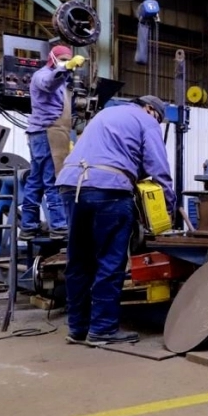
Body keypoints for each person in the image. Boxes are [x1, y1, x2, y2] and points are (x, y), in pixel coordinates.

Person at [56, 95, 175, 346]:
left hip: (70, 185)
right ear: (151, 109)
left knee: (78, 261)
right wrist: (168, 207)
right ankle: (102, 330)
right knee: (109, 261)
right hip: (109, 189)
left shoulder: (105, 115)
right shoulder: (147, 120)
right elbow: (157, 167)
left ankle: (77, 328)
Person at [19, 45, 85, 241]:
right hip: (46, 133)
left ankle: (28, 226)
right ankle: (59, 226)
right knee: (54, 179)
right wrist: (65, 67)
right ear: (53, 59)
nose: (65, 62)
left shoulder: (62, 80)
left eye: (68, 59)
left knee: (36, 180)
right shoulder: (43, 75)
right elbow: (49, 83)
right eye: (62, 59)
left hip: (49, 134)